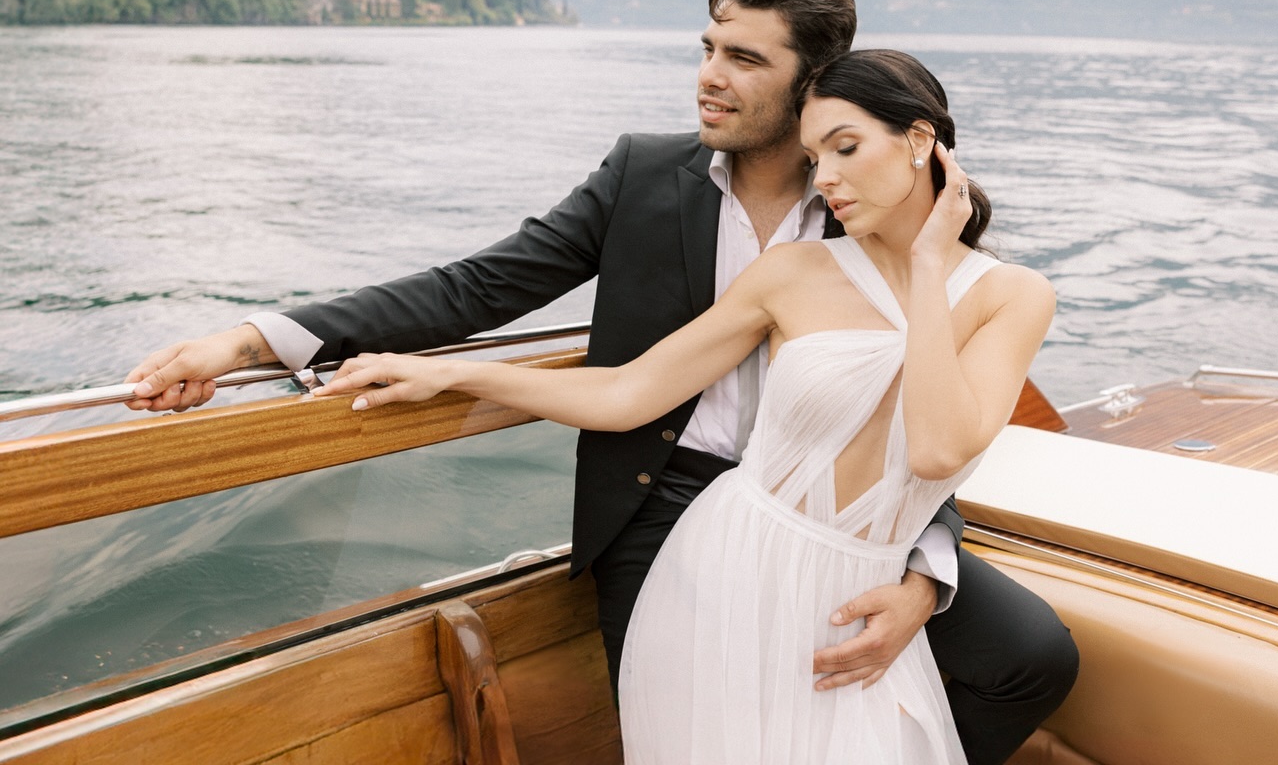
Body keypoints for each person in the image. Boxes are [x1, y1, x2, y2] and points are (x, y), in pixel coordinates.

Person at [126, 0, 1078, 765]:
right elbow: (476, 288)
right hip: (671, 501)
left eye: (744, 57)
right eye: (708, 46)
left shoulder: (880, 213)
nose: (709, 74)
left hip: (858, 525)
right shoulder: (646, 176)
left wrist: (924, 571)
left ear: (817, 81)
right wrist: (256, 340)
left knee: (1030, 657)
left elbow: (919, 424)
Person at [311, 48, 1055, 763]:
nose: (824, 177)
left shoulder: (1012, 296)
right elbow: (631, 390)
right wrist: (461, 377)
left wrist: (928, 264)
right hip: (730, 562)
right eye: (814, 156)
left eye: (846, 148)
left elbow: (936, 452)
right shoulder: (792, 272)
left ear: (920, 140)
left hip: (862, 580)